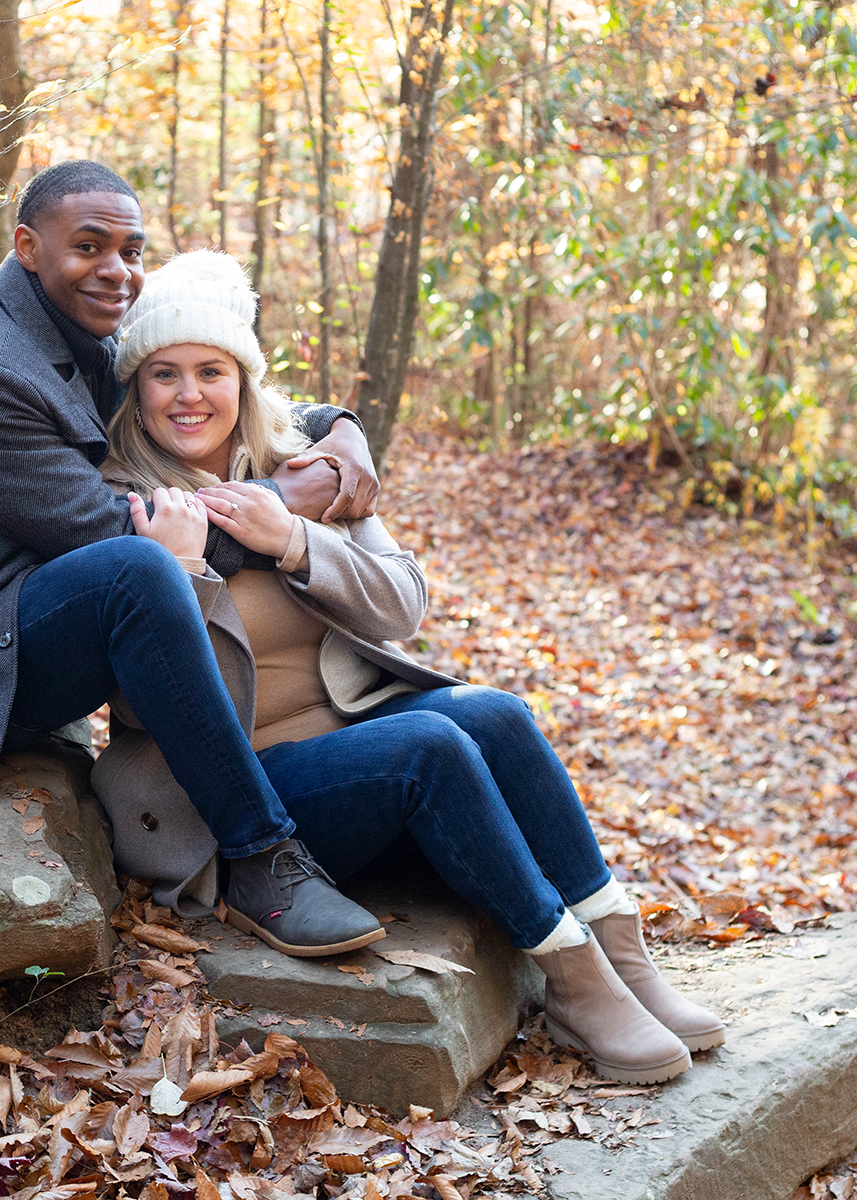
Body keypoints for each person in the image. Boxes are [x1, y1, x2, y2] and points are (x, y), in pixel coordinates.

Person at [90, 250, 724, 1085]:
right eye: (163, 373)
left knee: (495, 713)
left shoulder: (299, 471)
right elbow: (153, 701)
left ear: (244, 380)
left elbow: (403, 604)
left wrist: (294, 540)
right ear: (135, 389)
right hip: (241, 801)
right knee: (428, 744)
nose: (189, 394)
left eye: (211, 370)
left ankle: (620, 953)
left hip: (347, 734)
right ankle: (571, 980)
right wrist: (180, 574)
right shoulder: (120, 501)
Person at [0, 161, 392, 955]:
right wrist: (277, 509)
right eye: (89, 246)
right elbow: (113, 528)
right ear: (29, 247)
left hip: (28, 618)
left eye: (131, 251)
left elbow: (196, 386)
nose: (117, 272)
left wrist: (340, 426)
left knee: (144, 567)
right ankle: (260, 858)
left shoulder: (73, 329)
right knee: (141, 567)